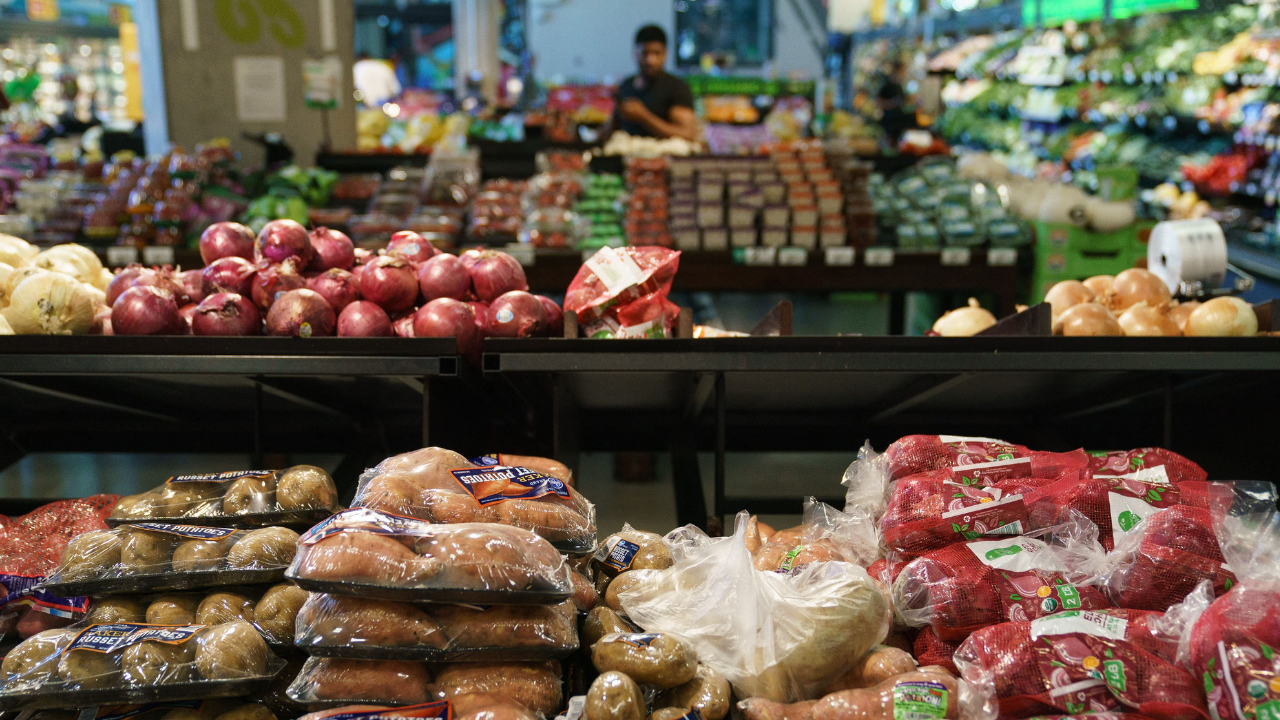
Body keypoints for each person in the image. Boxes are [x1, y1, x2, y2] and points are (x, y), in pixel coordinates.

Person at [606, 25, 697, 141]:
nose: (650, 60)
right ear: (635, 53)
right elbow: (610, 131)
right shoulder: (626, 86)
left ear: (665, 54)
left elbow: (687, 134)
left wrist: (644, 117)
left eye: (656, 53)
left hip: (664, 156)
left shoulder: (677, 88)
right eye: (645, 53)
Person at [877, 60, 912, 144]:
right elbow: (878, 102)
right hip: (889, 123)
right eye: (903, 71)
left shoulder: (899, 86)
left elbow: (903, 101)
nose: (904, 74)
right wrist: (892, 103)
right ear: (897, 71)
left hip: (899, 123)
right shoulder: (887, 85)